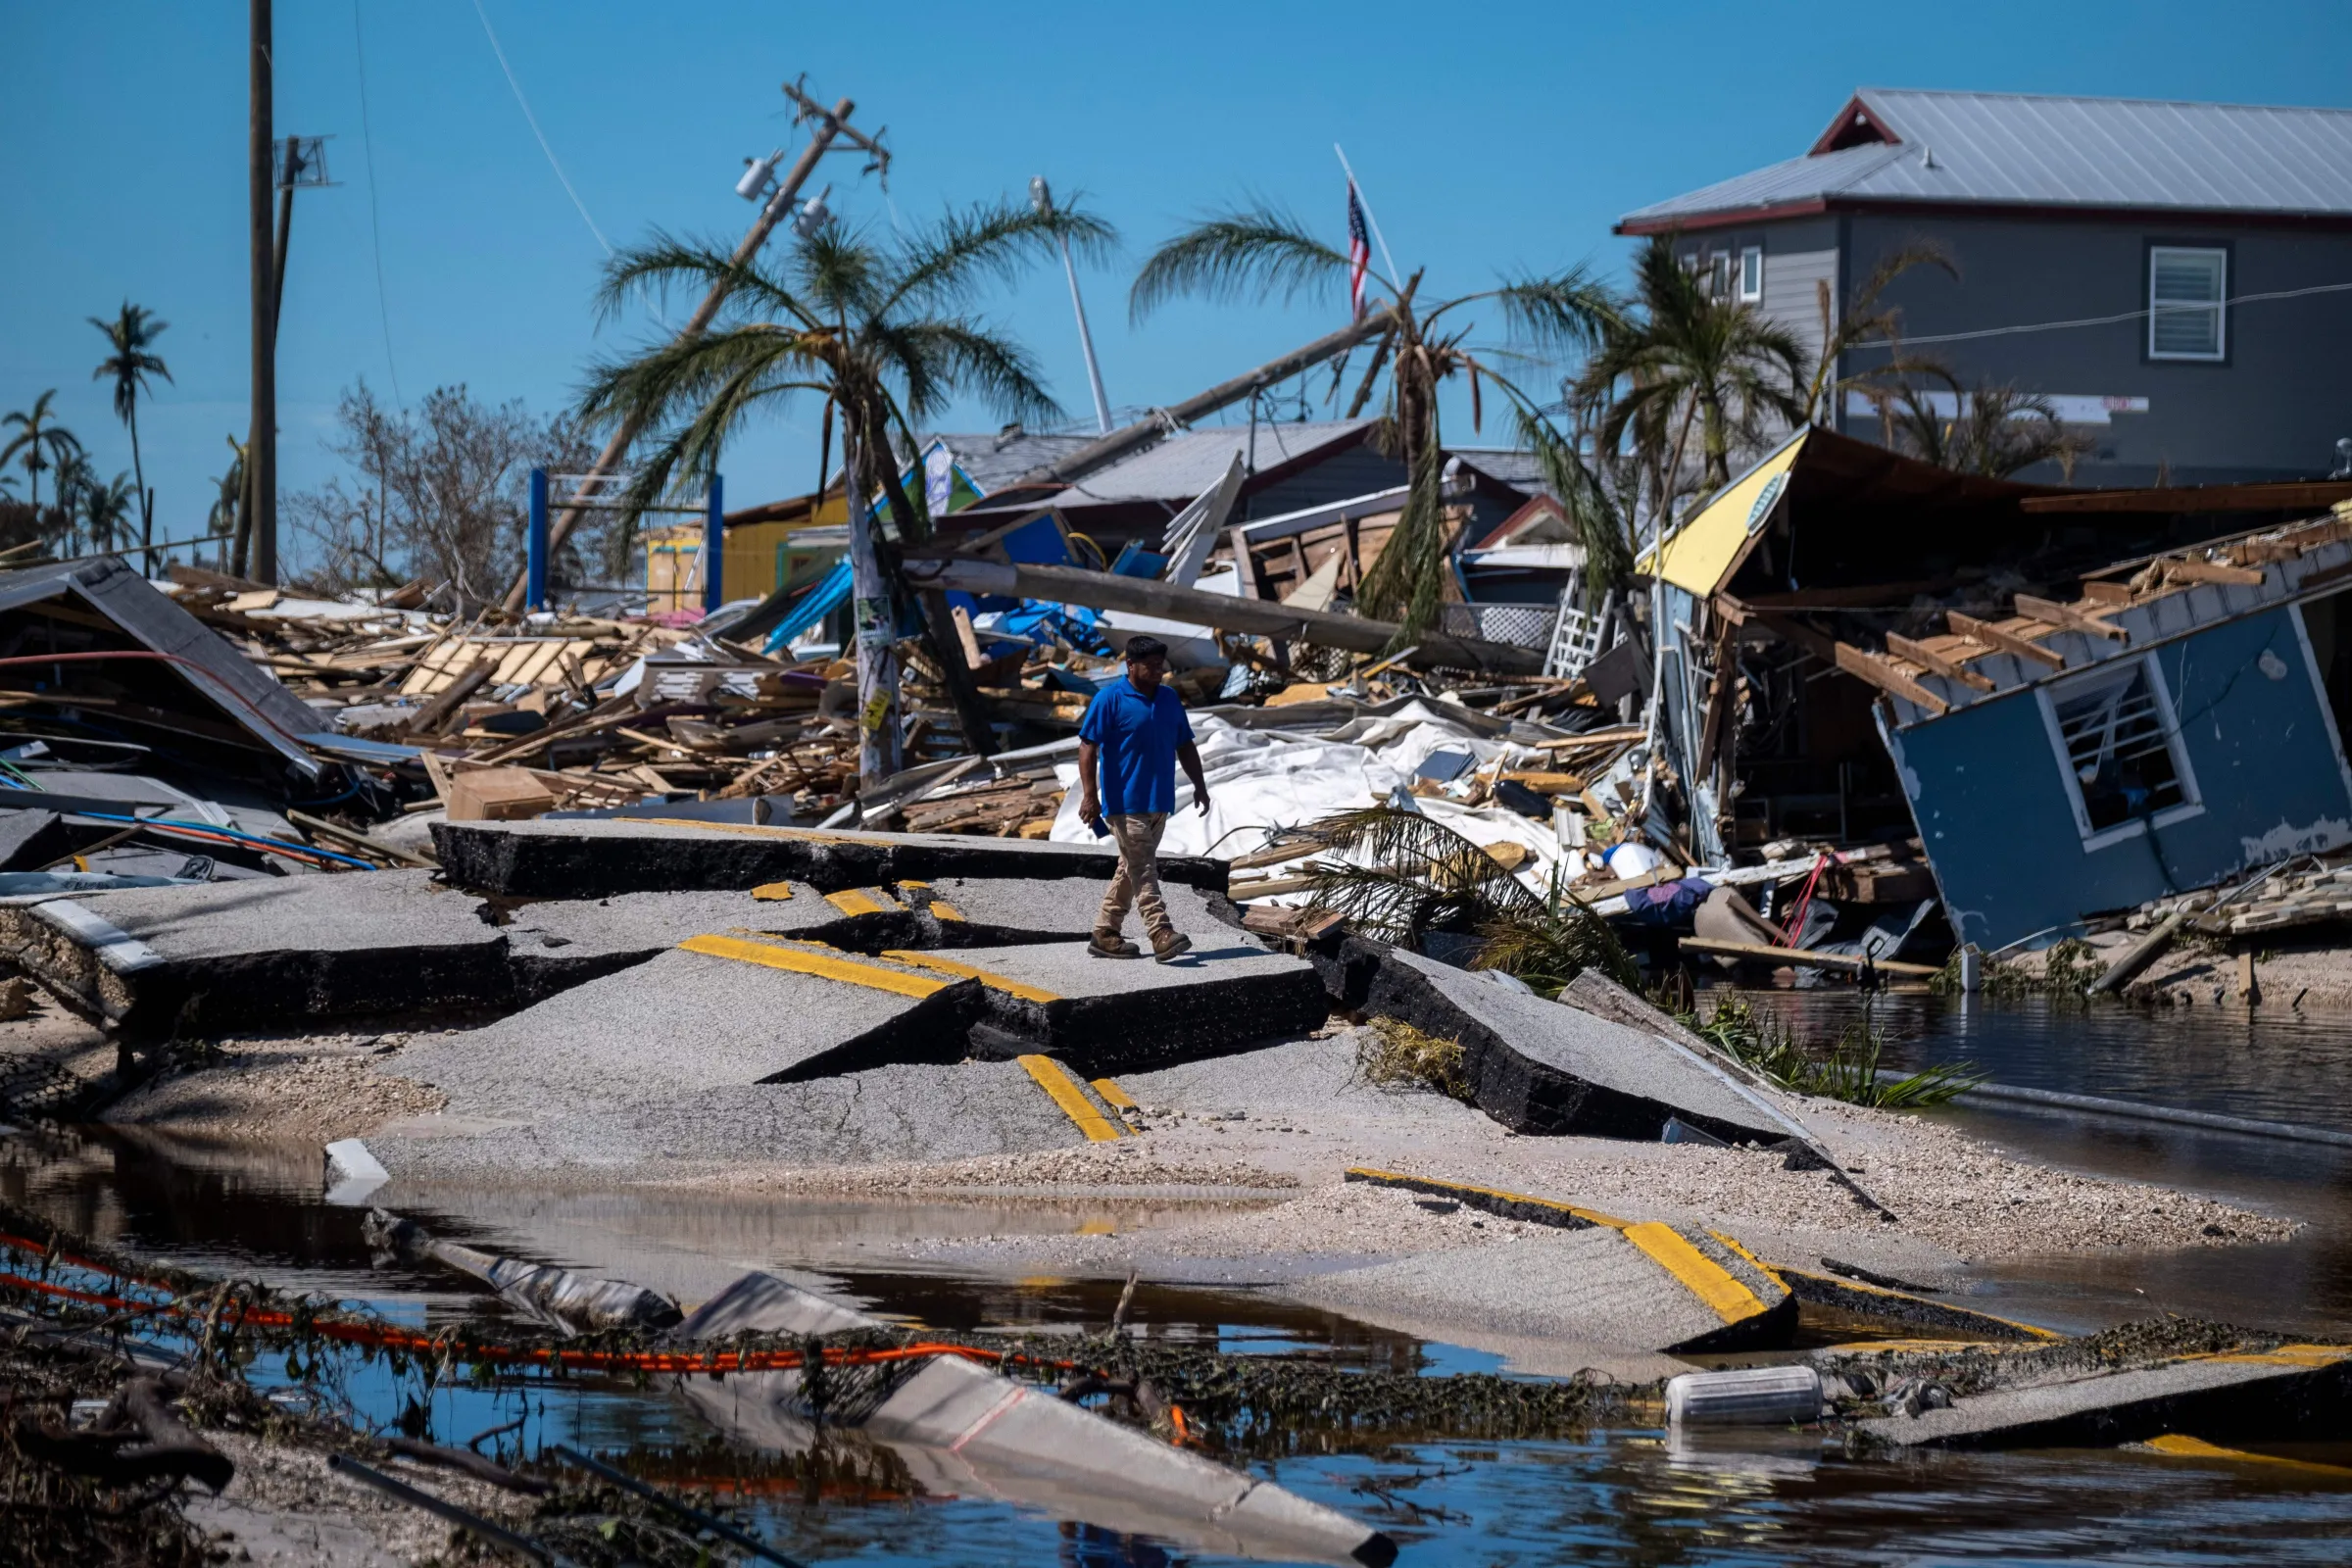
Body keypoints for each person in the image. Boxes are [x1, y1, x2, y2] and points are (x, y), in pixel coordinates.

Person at [1077, 635, 1210, 961]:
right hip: (1124, 803)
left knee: (1131, 869)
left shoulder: (1168, 699)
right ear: (1130, 665)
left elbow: (1185, 745)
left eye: (1160, 666)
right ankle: (1160, 932)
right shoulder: (1109, 699)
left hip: (1158, 802)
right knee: (1145, 870)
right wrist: (1090, 796)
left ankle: (1104, 932)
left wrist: (1200, 785)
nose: (1157, 672)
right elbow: (1087, 747)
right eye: (1149, 666)